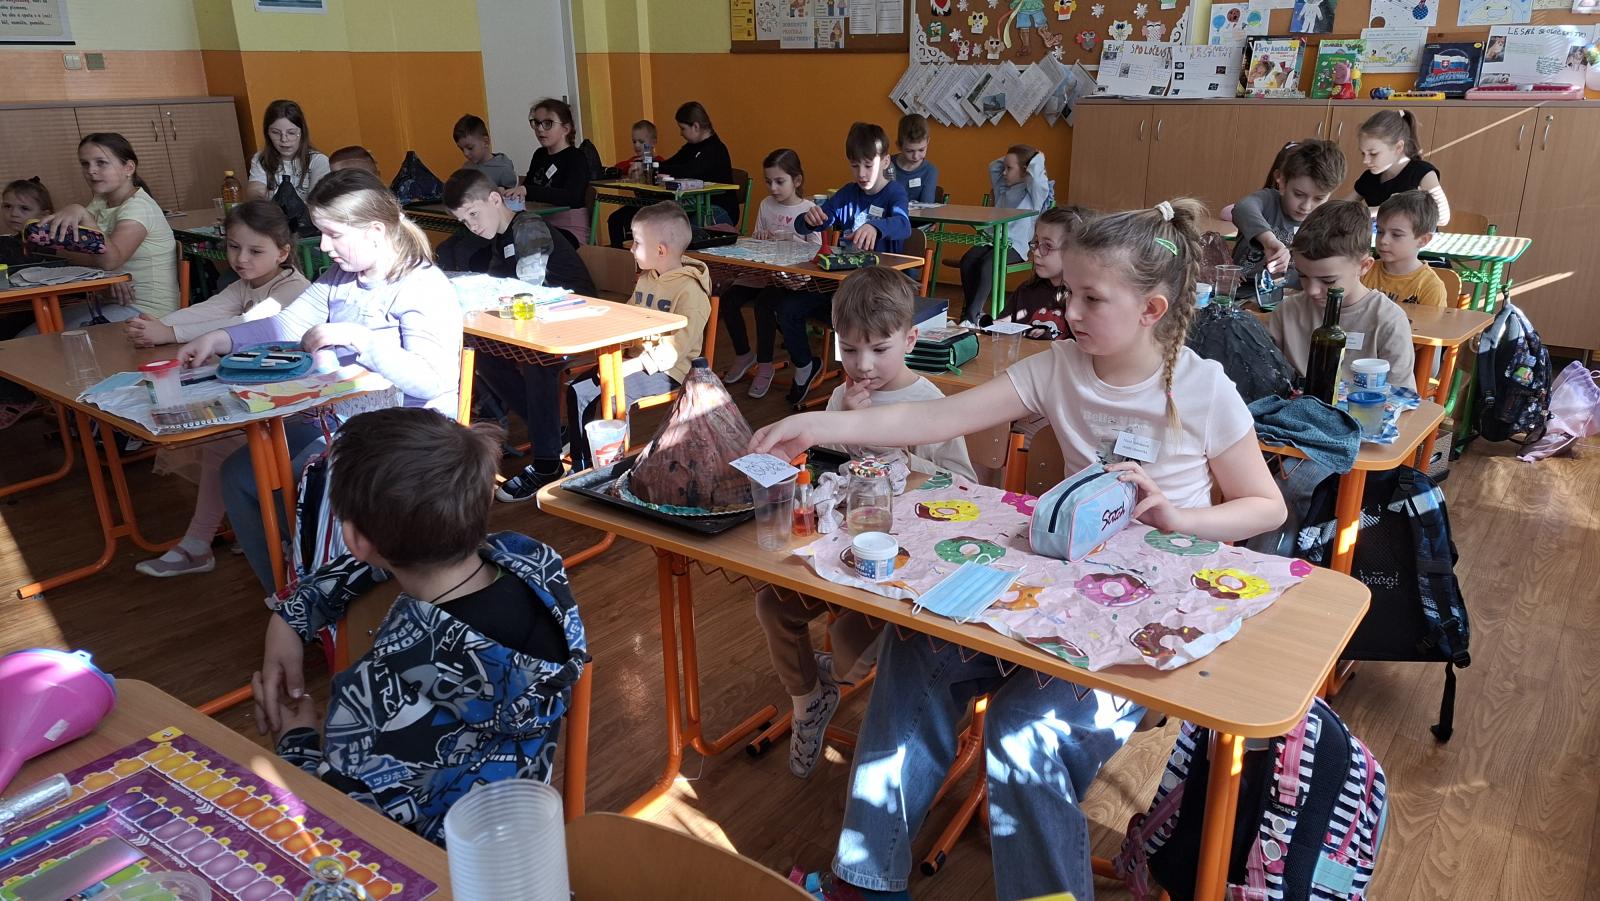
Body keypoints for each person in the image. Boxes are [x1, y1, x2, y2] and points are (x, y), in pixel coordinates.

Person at [751, 198, 1286, 901]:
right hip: (1058, 583)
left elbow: (1266, 505)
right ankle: (867, 880)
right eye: (1069, 292)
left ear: (1151, 310)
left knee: (1023, 729)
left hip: (1145, 619)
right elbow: (938, 416)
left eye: (1091, 297)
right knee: (917, 646)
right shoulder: (1059, 365)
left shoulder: (1202, 387)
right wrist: (814, 422)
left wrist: (1180, 515)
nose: (1070, 309)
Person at [251, 407, 587, 846]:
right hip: (513, 851)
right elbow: (384, 559)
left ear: (355, 540)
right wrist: (293, 614)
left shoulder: (372, 693)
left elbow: (331, 830)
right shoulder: (535, 564)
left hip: (413, 869)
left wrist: (295, 740)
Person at [176, 169, 463, 591]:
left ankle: (333, 587)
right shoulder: (341, 278)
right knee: (240, 473)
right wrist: (219, 338)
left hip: (412, 435)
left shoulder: (421, 287)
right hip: (347, 422)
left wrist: (363, 340)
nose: (324, 246)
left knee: (311, 478)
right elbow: (287, 324)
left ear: (375, 232)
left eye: (333, 234)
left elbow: (431, 380)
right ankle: (290, 592)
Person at [755, 266, 974, 779]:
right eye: (850, 350)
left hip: (900, 563)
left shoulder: (931, 405)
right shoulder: (842, 397)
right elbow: (827, 467)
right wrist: (847, 425)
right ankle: (809, 700)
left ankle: (834, 678)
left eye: (879, 348)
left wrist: (897, 455)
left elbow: (963, 485)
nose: (863, 364)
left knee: (851, 650)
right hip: (840, 545)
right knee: (772, 603)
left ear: (910, 339)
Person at [125, 201, 312, 577]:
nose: (241, 259)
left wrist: (169, 332)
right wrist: (157, 325)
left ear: (283, 252)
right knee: (218, 441)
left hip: (296, 405)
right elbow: (208, 310)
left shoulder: (293, 289)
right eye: (233, 247)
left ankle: (208, 541)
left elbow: (246, 323)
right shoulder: (245, 283)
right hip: (260, 393)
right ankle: (210, 539)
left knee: (223, 442)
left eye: (255, 251)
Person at [439, 167, 597, 503]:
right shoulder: (501, 236)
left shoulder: (528, 227)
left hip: (577, 319)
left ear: (495, 199)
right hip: (539, 319)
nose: (471, 226)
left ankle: (548, 464)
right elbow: (499, 286)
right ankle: (554, 432)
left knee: (536, 359)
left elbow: (529, 289)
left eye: (473, 214)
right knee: (483, 354)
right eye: (464, 221)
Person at [567, 201, 711, 470]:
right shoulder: (646, 278)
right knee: (578, 389)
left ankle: (614, 467)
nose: (631, 248)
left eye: (636, 242)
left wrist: (628, 366)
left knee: (614, 392)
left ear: (660, 250)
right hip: (633, 362)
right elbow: (629, 319)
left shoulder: (691, 292)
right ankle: (582, 464)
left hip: (673, 370)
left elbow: (674, 350)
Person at [785, 122, 912, 407]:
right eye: (855, 166)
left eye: (868, 165)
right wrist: (808, 220)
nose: (861, 174)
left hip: (877, 295)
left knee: (855, 323)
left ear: (886, 161)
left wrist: (876, 227)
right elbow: (809, 222)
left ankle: (860, 384)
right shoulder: (848, 193)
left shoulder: (894, 193)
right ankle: (807, 366)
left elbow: (904, 225)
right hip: (843, 287)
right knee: (787, 308)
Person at [1269, 199, 1416, 392]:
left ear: (1364, 266)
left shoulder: (1388, 320)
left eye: (1328, 281)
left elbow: (1402, 396)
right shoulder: (1287, 311)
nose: (1312, 290)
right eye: (1302, 275)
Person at [34, 133, 178, 325]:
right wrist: (113, 271)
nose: (91, 171)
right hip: (109, 302)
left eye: (101, 163)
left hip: (146, 311)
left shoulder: (139, 207)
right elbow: (76, 252)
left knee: (49, 334)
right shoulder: (101, 201)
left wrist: (82, 214)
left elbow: (109, 259)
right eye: (85, 164)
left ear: (128, 168)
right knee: (39, 327)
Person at [720, 148, 821, 399]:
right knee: (728, 299)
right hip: (763, 273)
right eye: (768, 182)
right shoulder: (766, 205)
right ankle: (744, 354)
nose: (773, 188)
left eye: (779, 181)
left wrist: (791, 240)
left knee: (764, 305)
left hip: (790, 279)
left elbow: (816, 249)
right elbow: (758, 241)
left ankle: (765, 364)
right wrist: (761, 238)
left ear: (796, 180)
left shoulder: (809, 209)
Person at [606, 102, 737, 247]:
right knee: (618, 219)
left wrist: (651, 168)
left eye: (683, 128)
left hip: (716, 208)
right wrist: (646, 165)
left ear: (696, 126)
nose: (681, 133)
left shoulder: (715, 150)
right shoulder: (691, 147)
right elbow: (671, 163)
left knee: (675, 232)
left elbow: (687, 170)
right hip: (692, 205)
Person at [1229, 138, 1345, 291]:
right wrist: (1269, 241)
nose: (1306, 206)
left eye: (1318, 199)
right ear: (1282, 182)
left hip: (1292, 294)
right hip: (1242, 288)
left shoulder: (1324, 225)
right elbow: (1242, 208)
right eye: (1298, 194)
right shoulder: (1268, 200)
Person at [959, 144, 1050, 319]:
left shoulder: (1034, 193)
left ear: (1026, 170)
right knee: (968, 260)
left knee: (988, 264)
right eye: (1005, 167)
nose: (1004, 172)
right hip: (992, 240)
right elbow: (993, 166)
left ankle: (971, 316)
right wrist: (1014, 159)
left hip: (1015, 245)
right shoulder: (1003, 187)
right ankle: (972, 314)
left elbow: (1037, 180)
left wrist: (1036, 158)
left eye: (1009, 168)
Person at [983, 205, 1093, 339]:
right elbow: (1005, 324)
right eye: (1036, 242)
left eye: (1048, 246)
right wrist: (990, 326)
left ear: (1075, 252)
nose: (1036, 253)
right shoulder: (1026, 291)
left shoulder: (1083, 300)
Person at [505, 98, 592, 245]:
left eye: (547, 124)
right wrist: (508, 191)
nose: (540, 129)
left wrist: (527, 190)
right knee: (506, 240)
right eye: (536, 123)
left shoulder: (576, 157)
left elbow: (571, 196)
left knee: (522, 244)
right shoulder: (539, 154)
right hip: (541, 224)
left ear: (565, 129)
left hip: (569, 229)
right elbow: (529, 187)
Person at [1350, 109, 1450, 227]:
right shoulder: (1369, 177)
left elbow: (1442, 218)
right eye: (1363, 153)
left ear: (1398, 147)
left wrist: (1382, 209)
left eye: (1373, 153)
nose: (1365, 160)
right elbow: (1343, 207)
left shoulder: (1422, 173)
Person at [1363, 190, 1448, 308]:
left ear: (1423, 240)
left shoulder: (1431, 287)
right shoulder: (1364, 271)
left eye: (1396, 235)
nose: (1383, 240)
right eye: (1380, 231)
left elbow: (1433, 321)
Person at [245, 99, 330, 204]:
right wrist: (260, 203)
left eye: (291, 133)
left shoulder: (318, 161)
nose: (284, 139)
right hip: (272, 213)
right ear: (267, 133)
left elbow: (317, 200)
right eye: (276, 133)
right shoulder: (261, 159)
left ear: (302, 132)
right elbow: (255, 192)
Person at [452, 114, 518, 189]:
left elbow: (514, 193)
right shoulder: (466, 167)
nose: (465, 153)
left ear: (486, 142)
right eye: (461, 149)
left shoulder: (503, 169)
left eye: (470, 148)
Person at [888, 113, 938, 205]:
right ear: (899, 146)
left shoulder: (930, 171)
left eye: (921, 150)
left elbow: (926, 207)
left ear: (928, 142)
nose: (916, 156)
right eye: (909, 151)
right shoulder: (886, 164)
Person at [1, 177, 51, 268]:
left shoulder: (51, 242)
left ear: (44, 216)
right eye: (7, 206)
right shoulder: (7, 242)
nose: (13, 214)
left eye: (24, 208)